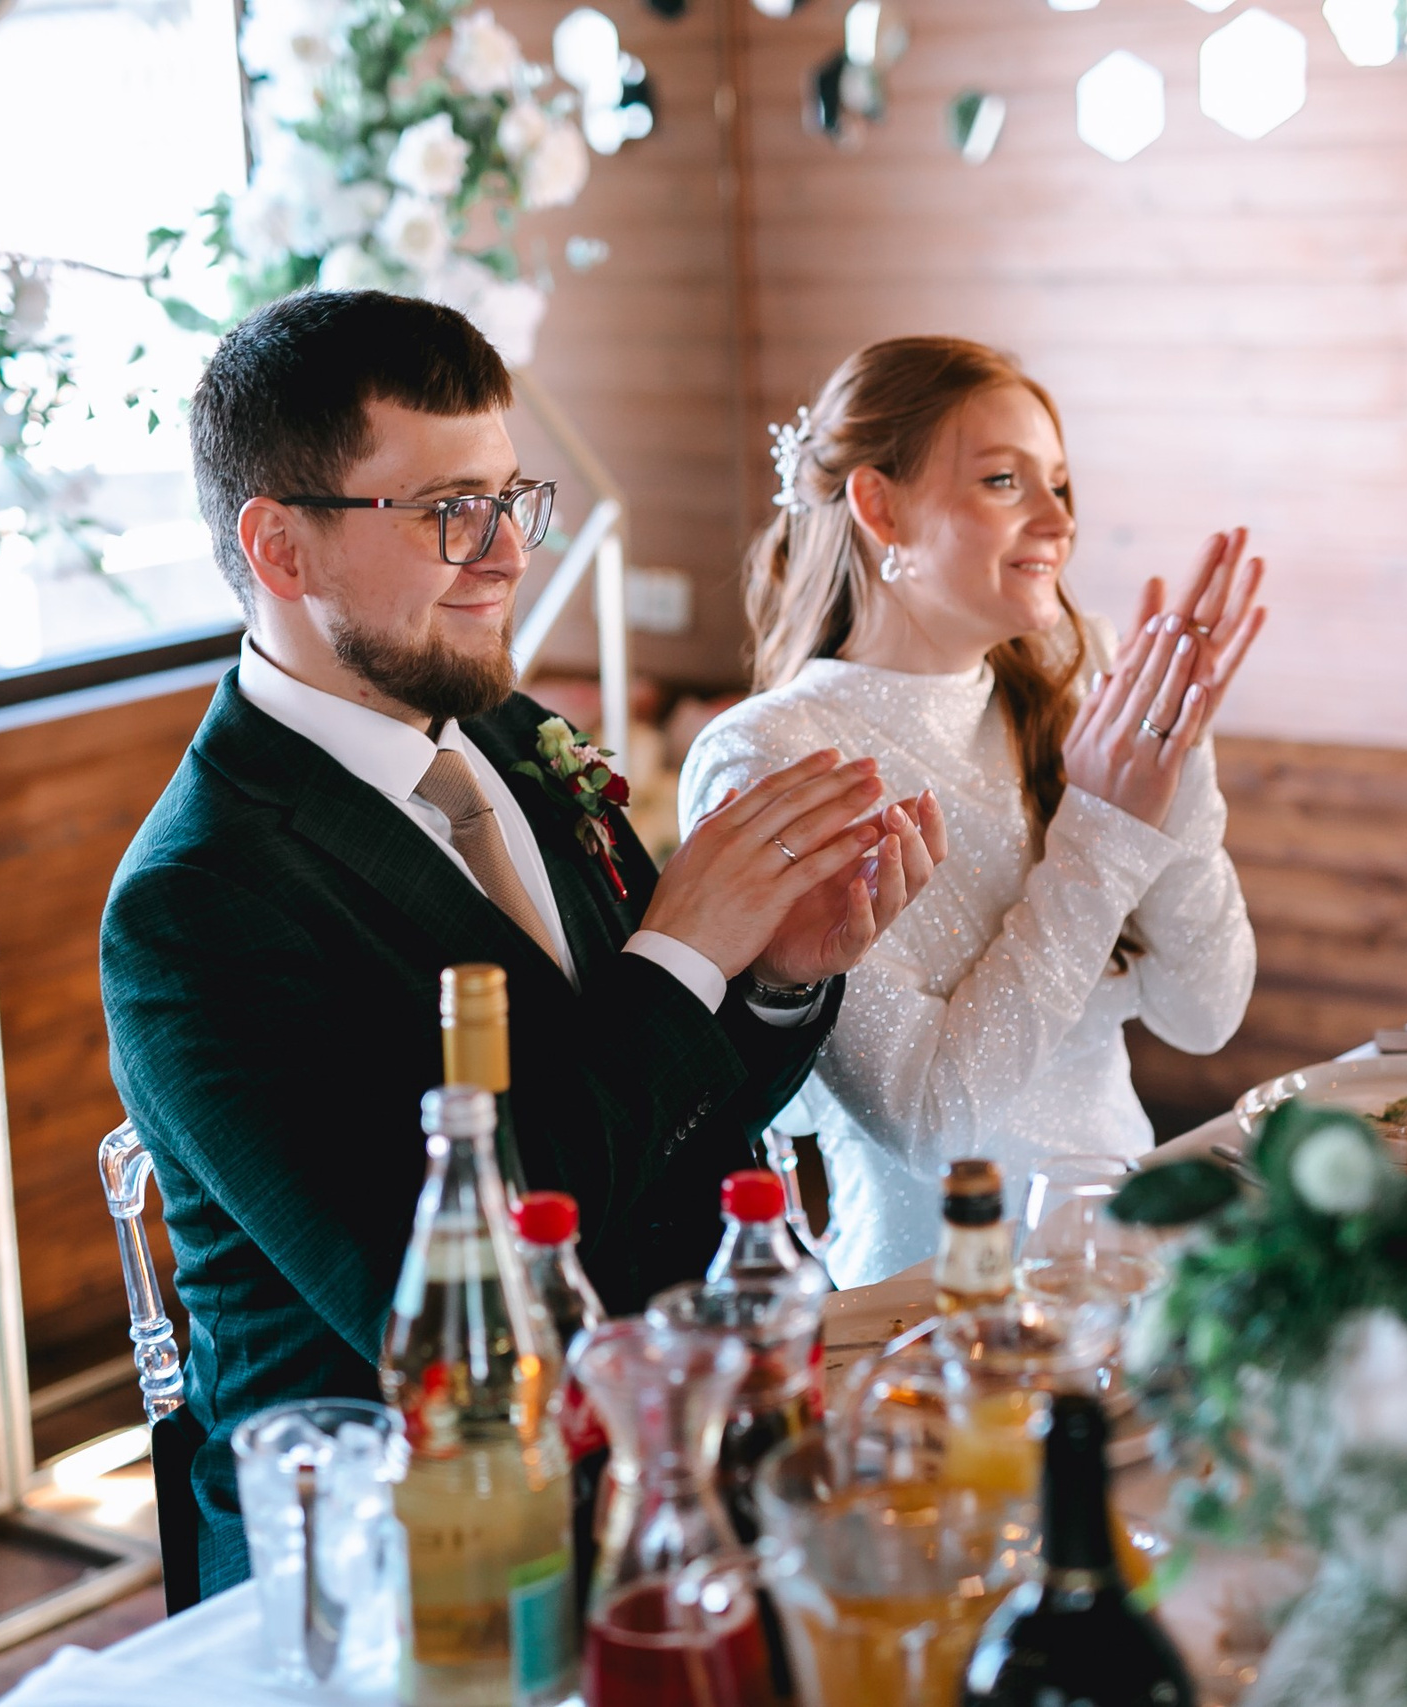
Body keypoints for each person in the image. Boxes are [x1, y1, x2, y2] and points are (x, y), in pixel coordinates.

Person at [99, 291, 942, 1597]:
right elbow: (433, 1299)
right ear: (282, 549)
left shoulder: (502, 738)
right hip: (396, 1556)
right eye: (449, 512)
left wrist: (776, 976)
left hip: (660, 1452)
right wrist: (679, 957)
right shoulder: (198, 904)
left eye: (513, 498)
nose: (506, 554)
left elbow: (666, 1111)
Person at [679, 337, 1263, 1288]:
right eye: (1004, 481)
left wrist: (1175, 762)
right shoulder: (773, 758)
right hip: (934, 1307)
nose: (1057, 521)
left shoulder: (1079, 686)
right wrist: (1104, 829)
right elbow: (931, 1119)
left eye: (1062, 485)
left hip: (1130, 1266)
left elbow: (1206, 1015)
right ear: (880, 506)